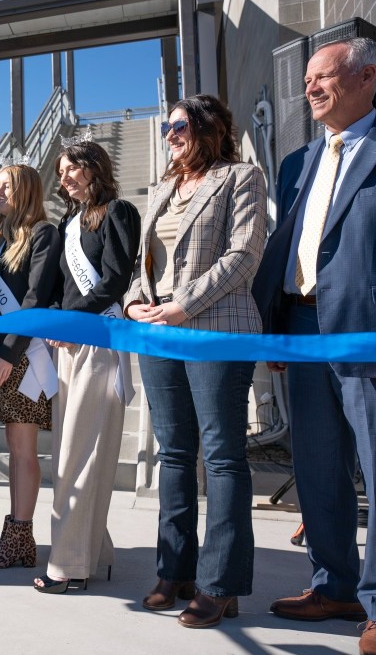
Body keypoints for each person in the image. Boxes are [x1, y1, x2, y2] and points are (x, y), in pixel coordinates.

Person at [252, 37, 376, 653]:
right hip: (301, 328)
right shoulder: (298, 160)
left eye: (322, 77)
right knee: (318, 467)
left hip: (364, 332)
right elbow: (290, 243)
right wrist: (276, 326)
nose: (310, 89)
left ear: (366, 78)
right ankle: (334, 586)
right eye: (306, 81)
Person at [125, 95, 267, 628]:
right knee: (175, 455)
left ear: (209, 128)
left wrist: (183, 306)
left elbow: (243, 254)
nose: (169, 134)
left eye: (179, 125)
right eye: (166, 126)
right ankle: (175, 571)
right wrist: (133, 303)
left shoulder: (241, 178)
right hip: (159, 333)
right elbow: (143, 264)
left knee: (224, 457)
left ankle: (219, 585)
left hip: (215, 331)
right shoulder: (161, 188)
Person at [33, 142, 140, 592]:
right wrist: (59, 319)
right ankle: (97, 551)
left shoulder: (119, 212)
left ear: (94, 167)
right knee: (69, 455)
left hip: (98, 343)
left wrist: (72, 321)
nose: (64, 178)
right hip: (70, 344)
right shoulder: (68, 222)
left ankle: (69, 565)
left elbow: (115, 279)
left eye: (71, 169)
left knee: (82, 454)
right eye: (60, 172)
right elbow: (63, 287)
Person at [0, 164, 61, 570]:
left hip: (29, 355)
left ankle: (19, 538)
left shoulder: (44, 234)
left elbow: (35, 298)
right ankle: (18, 539)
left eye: (5, 186)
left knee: (24, 449)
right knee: (15, 446)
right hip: (6, 354)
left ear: (25, 190)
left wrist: (9, 353)